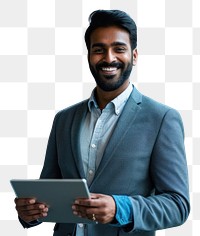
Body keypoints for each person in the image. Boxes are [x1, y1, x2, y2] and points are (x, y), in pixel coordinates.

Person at [14, 9, 190, 236]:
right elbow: (49, 194)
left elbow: (178, 205)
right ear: (89, 55)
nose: (108, 58)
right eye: (99, 50)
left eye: (119, 49)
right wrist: (31, 212)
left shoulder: (162, 119)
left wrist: (121, 209)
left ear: (134, 56)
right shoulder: (64, 120)